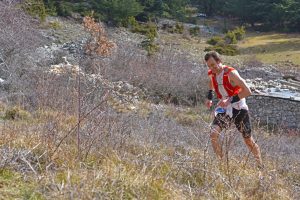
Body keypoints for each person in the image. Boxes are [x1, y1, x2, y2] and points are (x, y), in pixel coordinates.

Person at [204, 51, 263, 168]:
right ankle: (222, 164)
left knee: (248, 140)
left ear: (219, 61)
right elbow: (211, 82)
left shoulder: (231, 73)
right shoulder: (212, 73)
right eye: (209, 66)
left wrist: (229, 100)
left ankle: (260, 165)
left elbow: (247, 91)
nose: (211, 68)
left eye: (213, 65)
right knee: (213, 134)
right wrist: (209, 97)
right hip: (224, 108)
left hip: (238, 107)